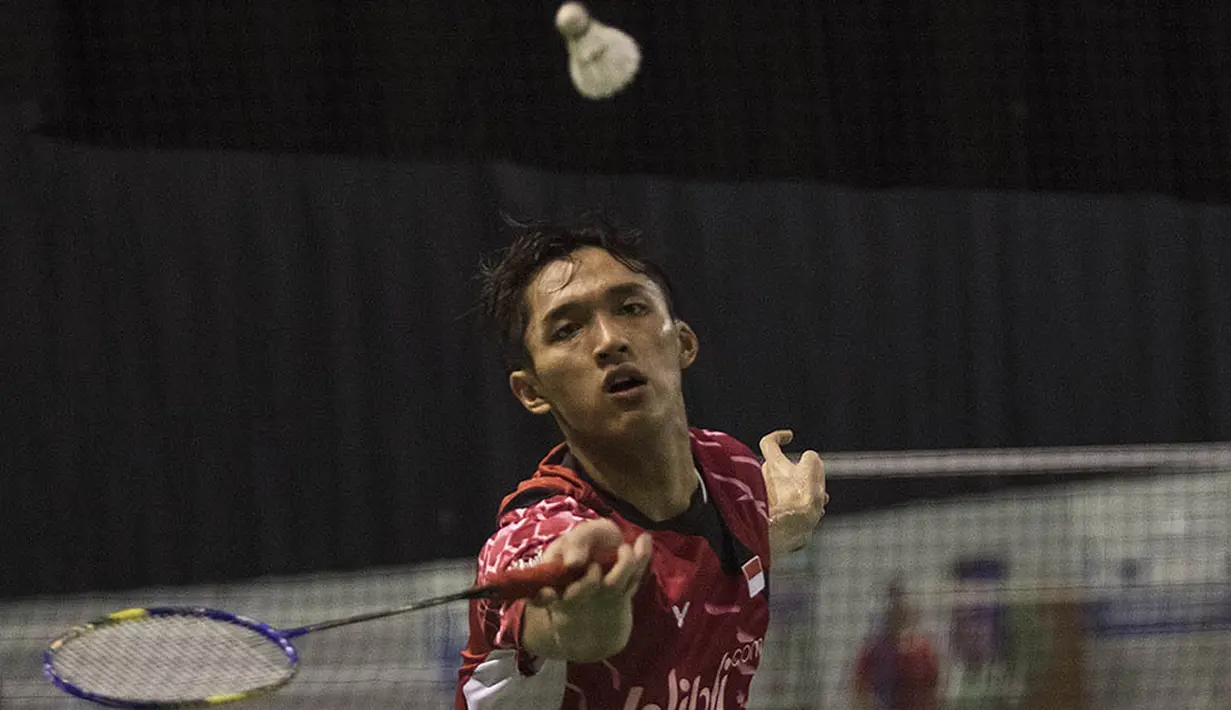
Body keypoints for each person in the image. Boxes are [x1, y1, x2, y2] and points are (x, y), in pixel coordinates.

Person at [455, 218, 828, 709]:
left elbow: (699, 562)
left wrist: (782, 526)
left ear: (683, 343)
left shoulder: (732, 474)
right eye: (568, 329)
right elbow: (580, 629)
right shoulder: (531, 537)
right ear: (531, 391)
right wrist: (587, 610)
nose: (609, 340)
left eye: (631, 307)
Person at [852, 578, 942, 710]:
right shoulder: (873, 649)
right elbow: (858, 692)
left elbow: (933, 690)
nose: (895, 611)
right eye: (892, 608)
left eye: (899, 607)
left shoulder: (922, 648)